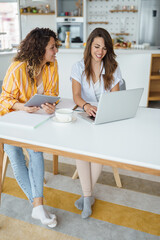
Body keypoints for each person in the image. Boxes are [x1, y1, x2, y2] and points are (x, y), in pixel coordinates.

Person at [0, 28, 60, 227]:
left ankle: (37, 208)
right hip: (9, 120)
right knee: (15, 154)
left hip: (34, 121)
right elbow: (4, 100)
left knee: (36, 150)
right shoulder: (17, 68)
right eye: (52, 47)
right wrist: (22, 107)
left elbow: (53, 93)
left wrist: (51, 104)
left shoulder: (52, 65)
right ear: (39, 48)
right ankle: (38, 206)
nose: (55, 51)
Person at [70, 28, 123, 219]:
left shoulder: (113, 68)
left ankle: (86, 197)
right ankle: (88, 197)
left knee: (98, 153)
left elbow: (116, 99)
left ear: (108, 49)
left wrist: (105, 111)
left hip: (105, 118)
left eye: (104, 47)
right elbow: (76, 96)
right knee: (81, 151)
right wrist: (86, 106)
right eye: (97, 46)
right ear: (90, 46)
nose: (100, 51)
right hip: (85, 114)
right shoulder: (78, 67)